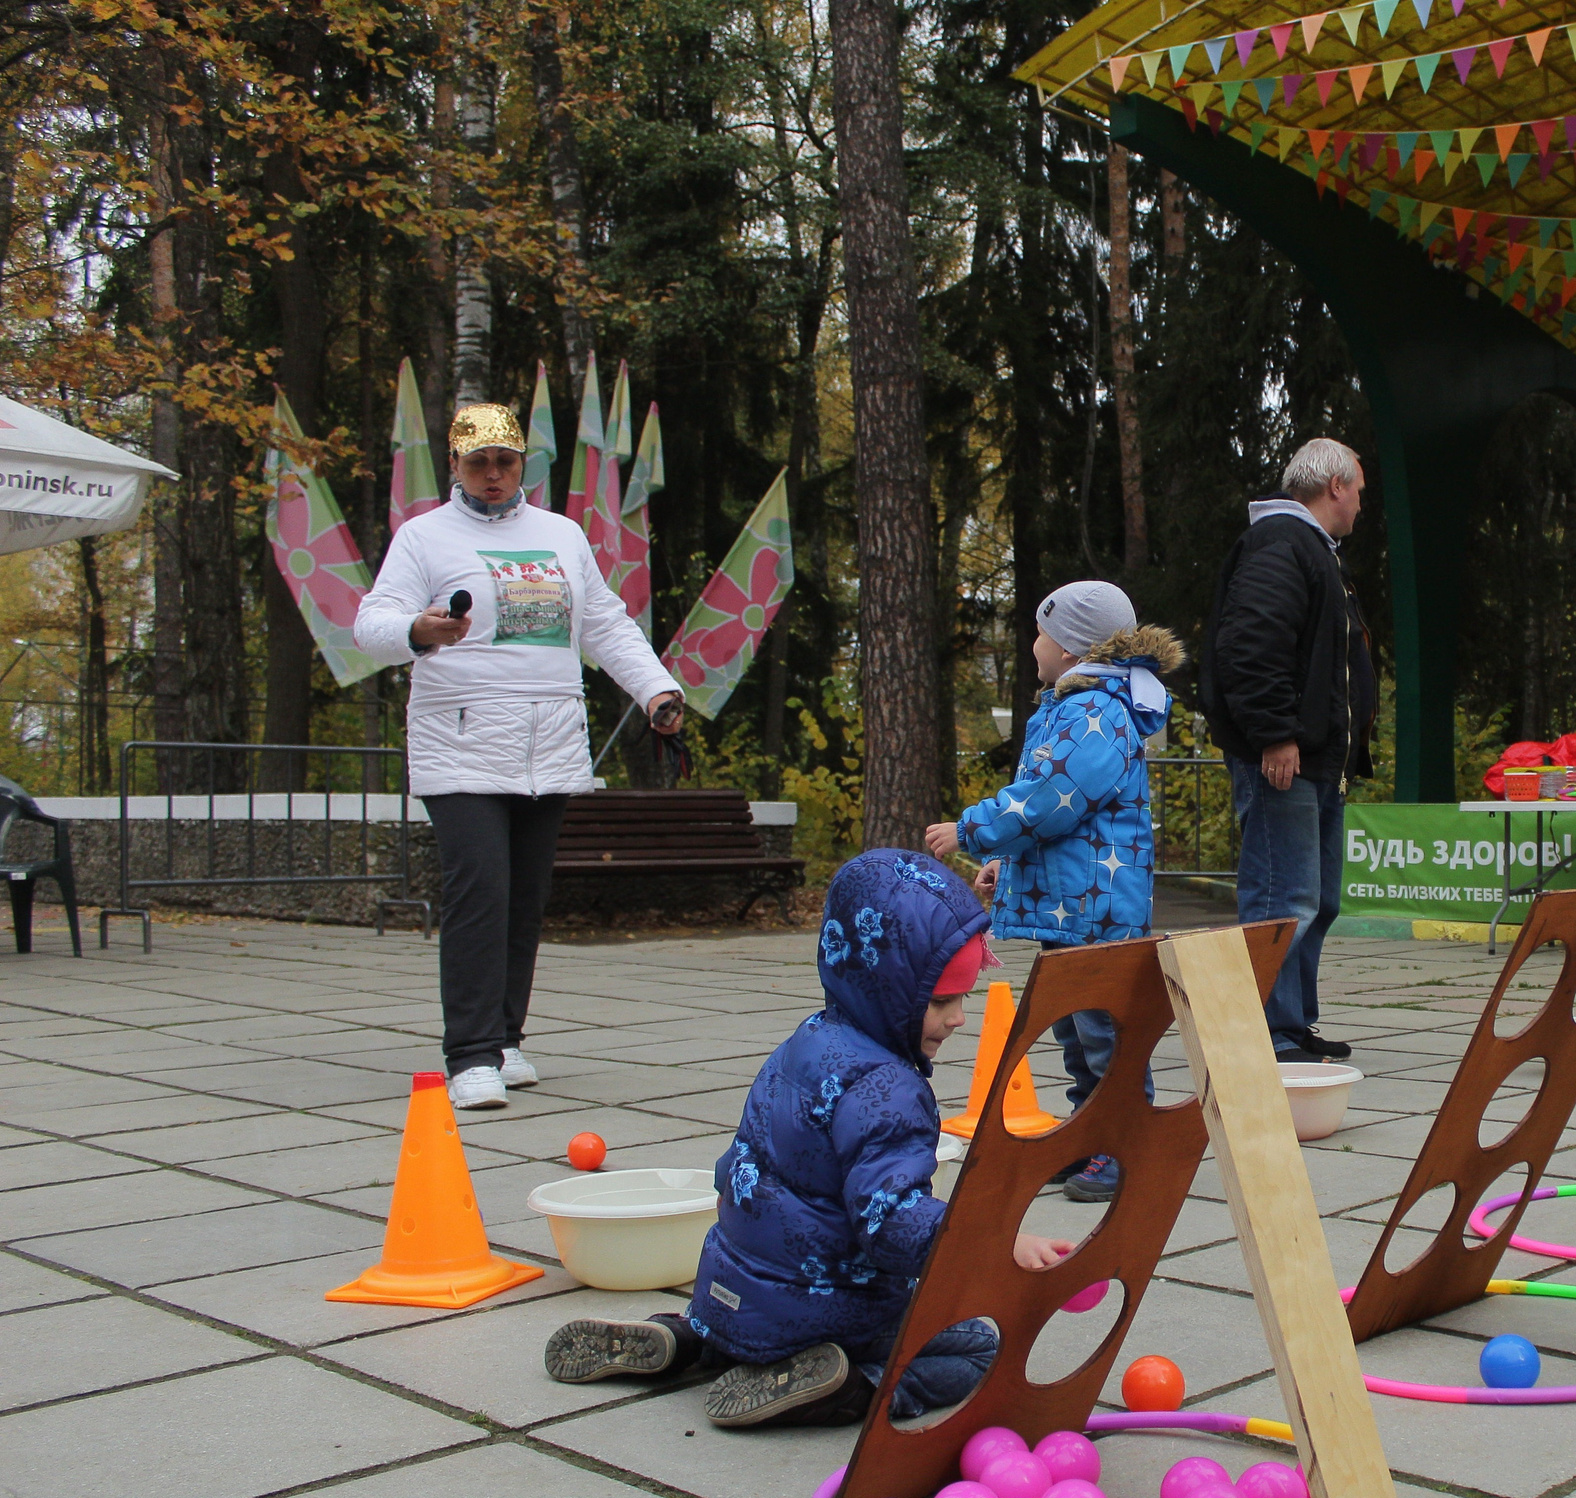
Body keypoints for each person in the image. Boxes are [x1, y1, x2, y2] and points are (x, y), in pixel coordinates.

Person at [540, 850, 1076, 1427]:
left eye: (963, 997)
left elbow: (741, 1163)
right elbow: (890, 1225)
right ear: (889, 990)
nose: (959, 1018)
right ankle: (849, 1385)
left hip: (725, 1284)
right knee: (975, 1347)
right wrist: (996, 1242)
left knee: (749, 1311)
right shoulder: (891, 1091)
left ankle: (691, 1341)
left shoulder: (809, 1040)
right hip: (826, 1309)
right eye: (942, 1001)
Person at [353, 404, 684, 1111]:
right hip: (462, 744)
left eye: (506, 461)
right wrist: (419, 627)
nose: (495, 475)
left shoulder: (562, 536)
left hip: (549, 745)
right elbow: (370, 623)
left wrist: (656, 689)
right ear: (456, 466)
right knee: (481, 894)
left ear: (521, 463)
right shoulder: (424, 538)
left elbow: (604, 624)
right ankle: (468, 1054)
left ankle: (505, 1039)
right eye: (480, 463)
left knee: (524, 902)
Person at [924, 580, 1184, 1204]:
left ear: (1070, 647)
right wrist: (1004, 865)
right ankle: (1089, 1138)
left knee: (1103, 1035)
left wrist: (974, 831)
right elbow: (1059, 816)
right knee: (1076, 1032)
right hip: (1073, 903)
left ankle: (1122, 1148)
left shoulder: (1096, 711)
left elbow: (1050, 802)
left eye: (1040, 632)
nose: (1031, 643)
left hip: (1095, 907)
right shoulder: (1076, 704)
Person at [1198, 438, 1377, 1063]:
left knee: (1316, 900)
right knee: (1283, 898)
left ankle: (1292, 1025)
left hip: (1316, 760)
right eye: (1358, 487)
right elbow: (1250, 643)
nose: (1361, 501)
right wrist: (1275, 733)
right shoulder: (1283, 542)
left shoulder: (1311, 550)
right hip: (1284, 757)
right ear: (1334, 486)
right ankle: (1266, 1034)